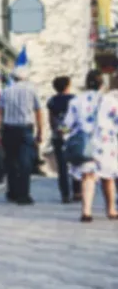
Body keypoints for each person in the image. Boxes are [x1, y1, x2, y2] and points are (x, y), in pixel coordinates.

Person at [63, 69, 118, 222]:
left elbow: (67, 124)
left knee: (88, 176)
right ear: (102, 84)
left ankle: (86, 211)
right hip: (107, 143)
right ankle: (111, 209)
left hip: (85, 143)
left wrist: (64, 133)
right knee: (108, 178)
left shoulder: (76, 101)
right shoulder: (111, 101)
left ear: (86, 83)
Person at [0, 65, 42, 205]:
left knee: (11, 161)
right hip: (25, 129)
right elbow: (38, 111)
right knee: (25, 163)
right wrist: (40, 131)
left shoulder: (6, 91)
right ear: (26, 78)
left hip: (9, 129)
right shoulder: (32, 91)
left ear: (13, 78)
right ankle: (23, 194)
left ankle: (12, 192)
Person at [47, 76, 81, 203]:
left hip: (58, 136)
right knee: (76, 163)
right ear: (68, 85)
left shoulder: (52, 101)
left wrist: (57, 131)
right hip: (73, 135)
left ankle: (65, 194)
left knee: (62, 166)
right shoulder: (75, 99)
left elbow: (51, 120)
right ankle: (77, 192)